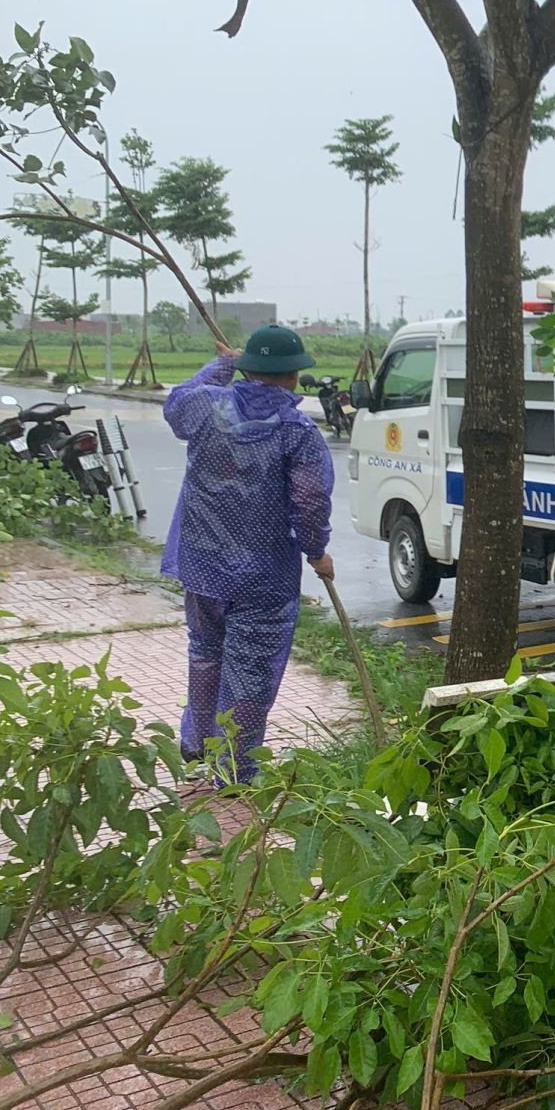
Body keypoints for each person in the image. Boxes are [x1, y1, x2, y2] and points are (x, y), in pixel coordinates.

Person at [162, 326, 335, 786]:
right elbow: (311, 501)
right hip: (263, 577)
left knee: (205, 652)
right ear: (294, 375)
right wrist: (317, 551)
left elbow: (177, 402)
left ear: (245, 369)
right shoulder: (297, 432)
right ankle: (234, 770)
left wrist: (220, 364)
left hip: (201, 565)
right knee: (250, 670)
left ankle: (201, 744)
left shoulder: (204, 406)